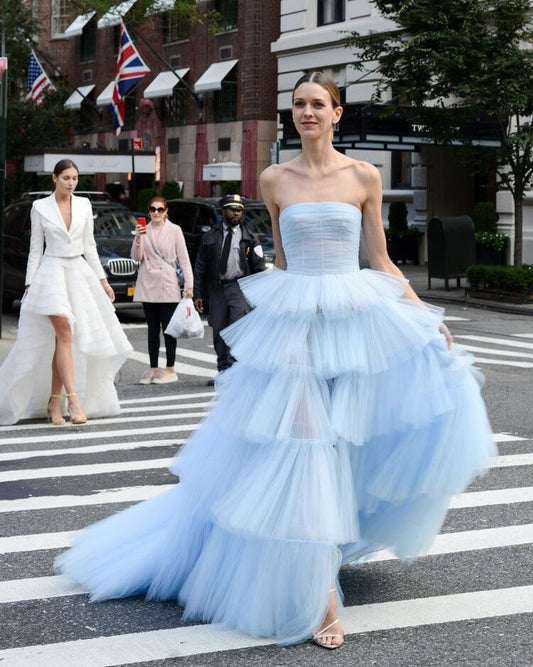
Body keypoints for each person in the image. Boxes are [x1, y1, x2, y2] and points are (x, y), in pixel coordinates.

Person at [55, 73, 495, 649]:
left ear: (337, 113)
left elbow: (382, 260)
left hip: (354, 320)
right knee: (304, 449)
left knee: (344, 444)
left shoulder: (364, 175)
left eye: (318, 105)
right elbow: (283, 263)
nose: (307, 112)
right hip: (295, 327)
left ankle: (328, 546)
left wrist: (425, 315)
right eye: (299, 105)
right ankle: (320, 594)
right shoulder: (273, 178)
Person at [0, 159, 132, 426]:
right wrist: (29, 285)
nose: (71, 183)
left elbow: (90, 246)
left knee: (63, 342)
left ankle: (53, 401)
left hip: (78, 273)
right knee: (65, 334)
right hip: (51, 274)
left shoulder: (84, 205)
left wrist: (103, 281)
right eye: (66, 178)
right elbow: (36, 249)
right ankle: (73, 400)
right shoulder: (40, 207)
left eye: (74, 178)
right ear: (54, 178)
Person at [193, 194, 265, 385]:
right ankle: (223, 370)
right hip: (217, 289)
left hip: (239, 288)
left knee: (238, 329)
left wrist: (258, 296)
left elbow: (259, 269)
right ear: (223, 211)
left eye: (239, 210)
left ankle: (235, 370)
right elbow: (201, 266)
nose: (236, 213)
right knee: (219, 330)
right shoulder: (210, 236)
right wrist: (197, 294)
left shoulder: (250, 237)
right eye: (232, 209)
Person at [132, 196, 194, 384]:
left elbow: (183, 259)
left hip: (167, 283)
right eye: (153, 209)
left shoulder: (174, 230)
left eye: (160, 209)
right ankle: (152, 368)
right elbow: (136, 257)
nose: (156, 213)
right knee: (152, 329)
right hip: (147, 283)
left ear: (166, 211)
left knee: (169, 329)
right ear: (148, 211)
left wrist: (189, 286)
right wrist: (138, 238)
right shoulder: (144, 230)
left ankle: (170, 368)